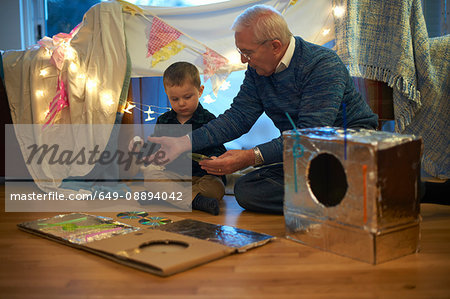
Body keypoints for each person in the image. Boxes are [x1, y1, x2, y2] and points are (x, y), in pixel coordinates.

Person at [147, 5, 378, 214]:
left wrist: (250, 157)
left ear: (275, 46)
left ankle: (352, 189)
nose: (243, 59)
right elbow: (238, 117)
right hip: (305, 157)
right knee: (247, 190)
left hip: (346, 151)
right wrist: (183, 143)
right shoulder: (258, 71)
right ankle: (345, 195)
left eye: (247, 52)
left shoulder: (322, 64)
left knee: (261, 183)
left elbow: (309, 134)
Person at [128, 62, 226, 215]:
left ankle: (166, 197)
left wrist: (216, 158)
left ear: (200, 91)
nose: (181, 103)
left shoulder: (209, 119)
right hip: (173, 175)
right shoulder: (163, 121)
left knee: (216, 190)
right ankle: (195, 201)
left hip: (201, 178)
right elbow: (155, 149)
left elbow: (219, 149)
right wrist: (140, 147)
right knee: (151, 176)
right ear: (167, 94)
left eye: (187, 97)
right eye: (174, 99)